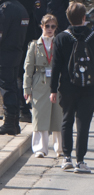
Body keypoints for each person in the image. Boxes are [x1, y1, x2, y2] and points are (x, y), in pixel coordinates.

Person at [50, 2, 94, 173]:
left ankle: (66, 157)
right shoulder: (92, 36)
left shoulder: (61, 38)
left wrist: (53, 89)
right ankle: (80, 160)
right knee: (83, 122)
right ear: (84, 17)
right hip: (89, 85)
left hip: (67, 85)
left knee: (67, 119)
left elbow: (56, 66)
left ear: (67, 18)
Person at [23, 14, 62, 156]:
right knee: (40, 116)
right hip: (40, 80)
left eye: (53, 26)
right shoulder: (34, 45)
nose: (50, 29)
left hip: (56, 81)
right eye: (47, 26)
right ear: (42, 26)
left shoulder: (59, 43)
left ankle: (60, 148)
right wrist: (26, 88)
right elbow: (28, 69)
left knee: (58, 115)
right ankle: (40, 148)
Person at [0, 0, 29, 135]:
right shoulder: (20, 7)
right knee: (13, 86)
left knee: (7, 88)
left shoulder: (4, 9)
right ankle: (14, 121)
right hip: (17, 51)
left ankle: (10, 121)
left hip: (4, 54)